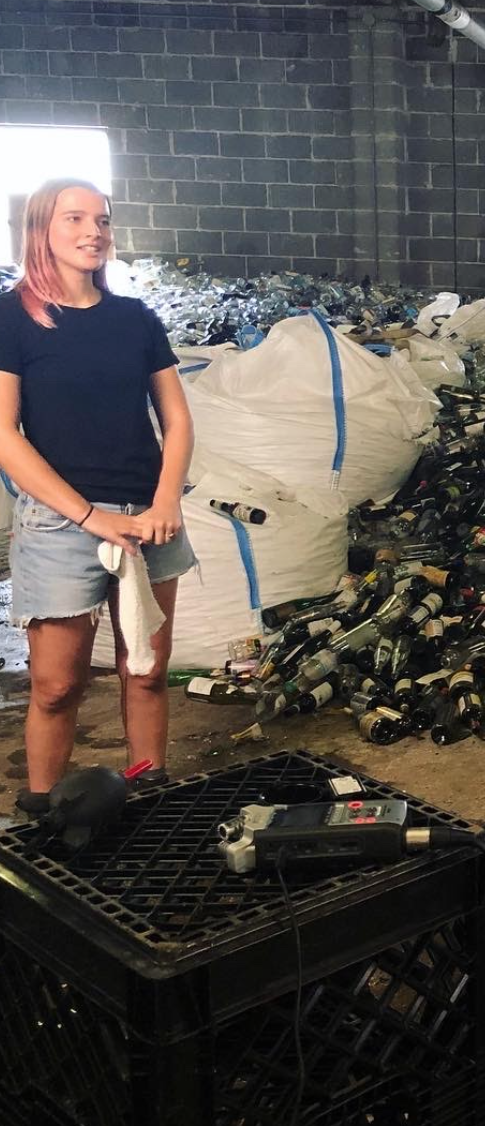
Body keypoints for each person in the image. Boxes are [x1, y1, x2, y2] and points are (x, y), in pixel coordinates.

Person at [0, 178, 195, 815]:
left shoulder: (134, 319)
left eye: (102, 220)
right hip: (61, 524)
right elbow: (4, 435)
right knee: (57, 686)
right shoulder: (12, 317)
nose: (94, 232)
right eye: (75, 218)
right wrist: (89, 516)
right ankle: (44, 815)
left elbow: (177, 419)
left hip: (147, 518)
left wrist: (165, 501)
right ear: (41, 232)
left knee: (145, 670)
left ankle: (146, 793)